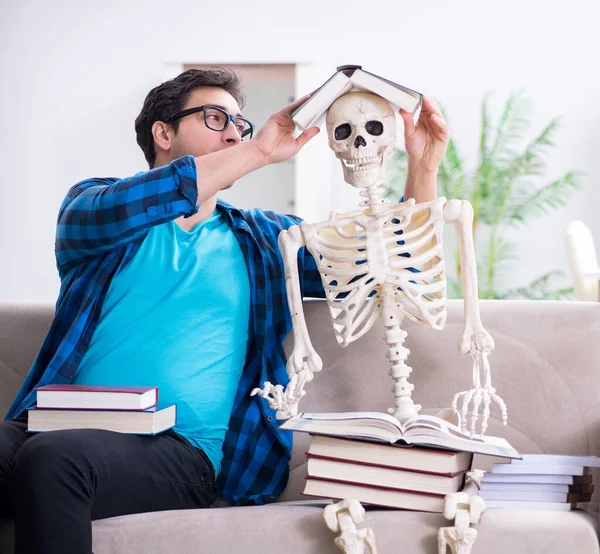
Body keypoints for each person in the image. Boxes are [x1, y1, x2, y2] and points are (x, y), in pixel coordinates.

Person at [0, 67, 450, 553]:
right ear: (163, 132)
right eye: (217, 118)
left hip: (180, 452)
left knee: (55, 458)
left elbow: (391, 269)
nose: (236, 133)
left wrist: (423, 168)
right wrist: (257, 152)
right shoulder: (94, 209)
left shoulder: (269, 240)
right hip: (51, 426)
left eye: (242, 126)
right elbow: (139, 201)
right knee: (45, 449)